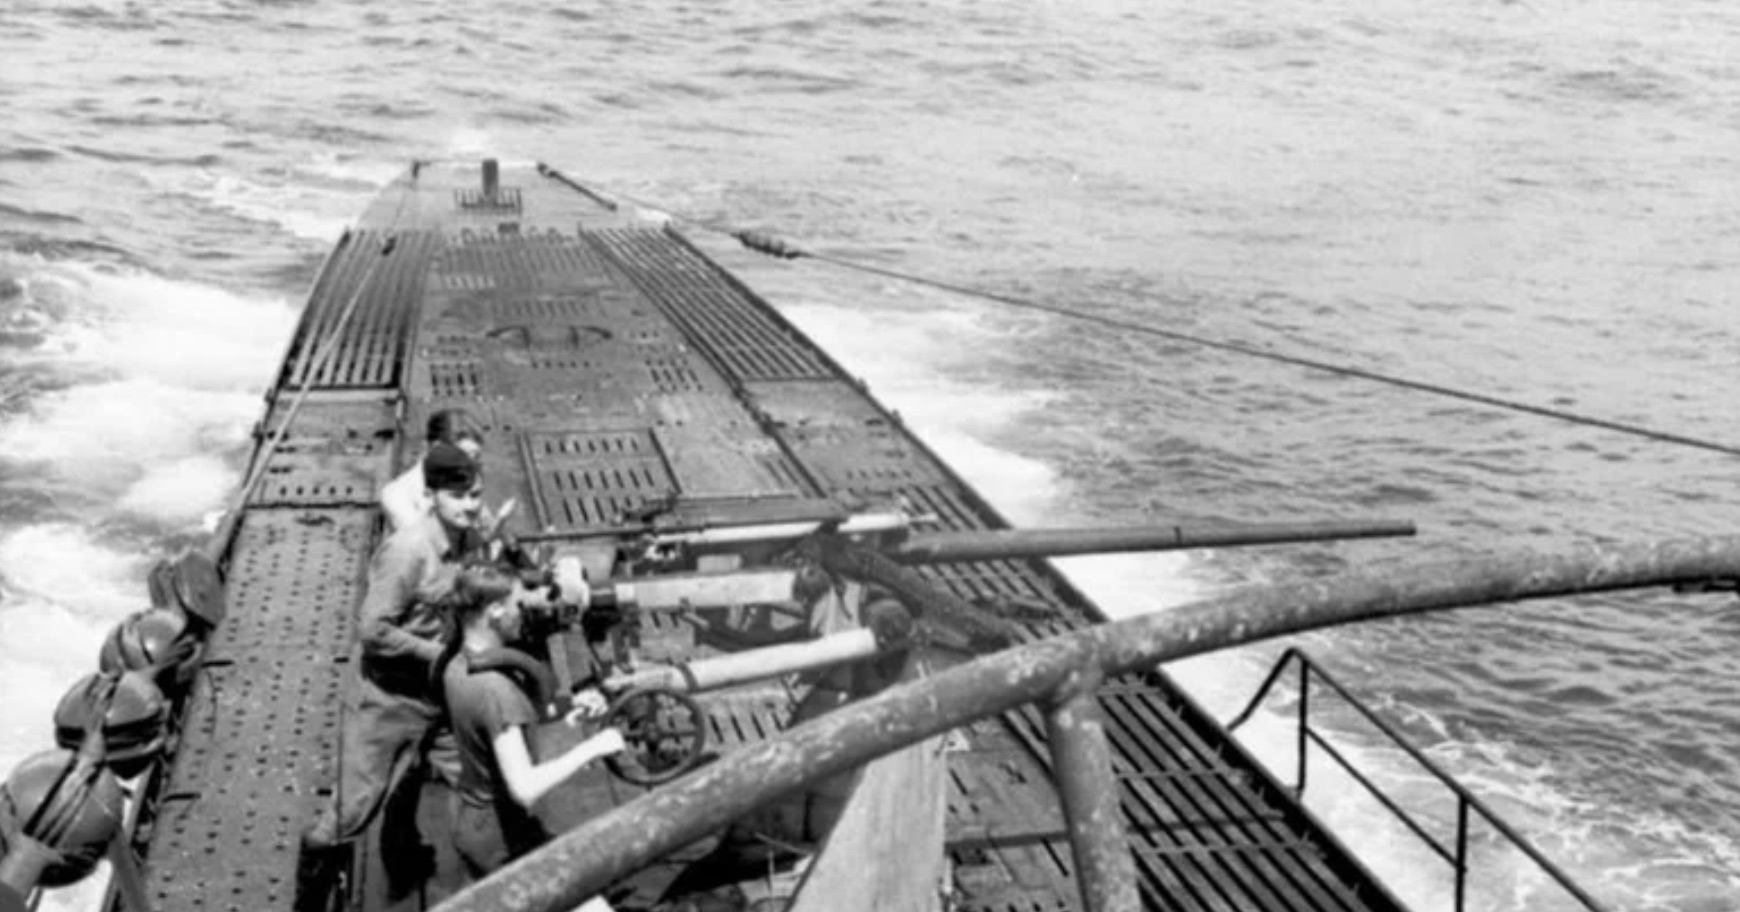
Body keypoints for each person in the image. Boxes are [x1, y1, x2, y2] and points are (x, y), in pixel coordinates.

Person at [297, 441, 489, 909]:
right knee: (352, 812)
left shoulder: (468, 537)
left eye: (476, 494)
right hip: (388, 701)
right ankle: (309, 897)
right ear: (432, 496)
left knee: (480, 782)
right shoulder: (407, 553)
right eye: (459, 496)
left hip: (438, 695)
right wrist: (437, 654)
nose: (471, 505)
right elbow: (372, 630)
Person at [437, 563, 626, 882]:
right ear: (495, 611)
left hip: (475, 817)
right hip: (499, 835)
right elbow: (524, 788)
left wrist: (566, 713)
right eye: (517, 605)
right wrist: (593, 747)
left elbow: (494, 734)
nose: (524, 614)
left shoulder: (457, 663)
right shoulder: (495, 690)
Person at [380, 408, 504, 533]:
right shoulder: (396, 495)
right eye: (462, 456)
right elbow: (422, 544)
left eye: (475, 459)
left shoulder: (467, 483)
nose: (469, 466)